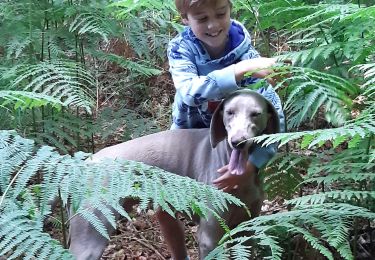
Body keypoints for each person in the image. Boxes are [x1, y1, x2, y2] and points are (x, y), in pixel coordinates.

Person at [157, 0, 286, 259]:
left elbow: (275, 118)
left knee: (240, 196)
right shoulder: (182, 49)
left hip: (240, 138)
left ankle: (238, 250)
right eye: (202, 18)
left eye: (220, 13)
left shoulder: (245, 51)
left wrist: (252, 165)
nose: (213, 24)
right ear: (185, 18)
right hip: (189, 135)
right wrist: (238, 72)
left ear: (230, 10)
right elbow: (189, 93)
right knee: (165, 204)